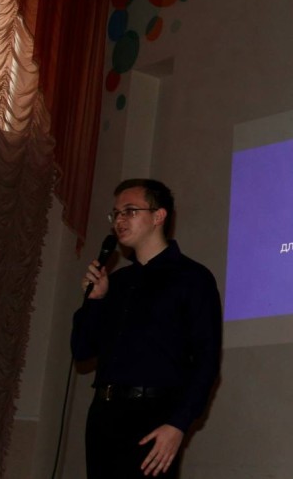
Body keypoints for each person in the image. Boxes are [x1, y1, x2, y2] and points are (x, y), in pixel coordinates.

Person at [71, 179, 222, 478]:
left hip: (154, 417)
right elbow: (82, 350)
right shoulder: (116, 283)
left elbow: (206, 361)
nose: (119, 220)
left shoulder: (192, 278)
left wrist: (178, 424)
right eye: (116, 213)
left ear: (158, 216)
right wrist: (96, 301)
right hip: (103, 415)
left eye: (130, 211)